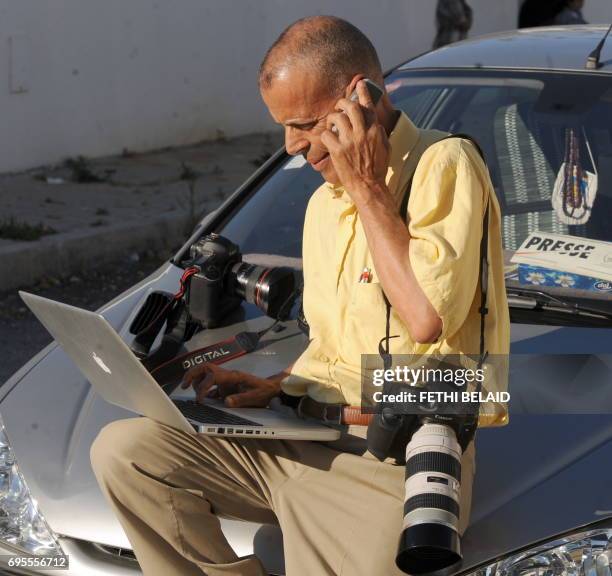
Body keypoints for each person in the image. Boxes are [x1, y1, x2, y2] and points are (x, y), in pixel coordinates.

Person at [90, 15, 510, 576]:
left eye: (304, 123)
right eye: (283, 128)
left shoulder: (445, 164)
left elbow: (427, 318)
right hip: (299, 436)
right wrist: (278, 389)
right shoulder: (321, 206)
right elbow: (337, 345)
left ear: (362, 95)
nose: (291, 147)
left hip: (390, 462)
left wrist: (367, 186)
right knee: (125, 451)